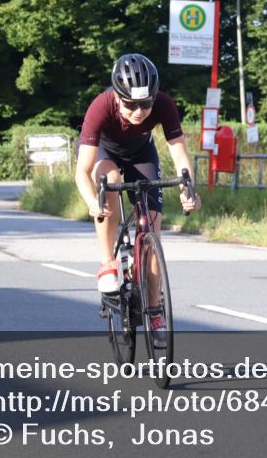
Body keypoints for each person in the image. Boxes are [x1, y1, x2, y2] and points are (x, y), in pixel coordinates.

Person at [74, 53, 200, 346]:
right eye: (130, 104)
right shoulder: (100, 107)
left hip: (142, 154)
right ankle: (108, 261)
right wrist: (93, 200)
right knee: (111, 182)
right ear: (117, 97)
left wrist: (188, 189)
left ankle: (154, 309)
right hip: (105, 155)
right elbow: (81, 171)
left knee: (152, 230)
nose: (139, 111)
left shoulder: (165, 105)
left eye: (146, 104)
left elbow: (179, 153)